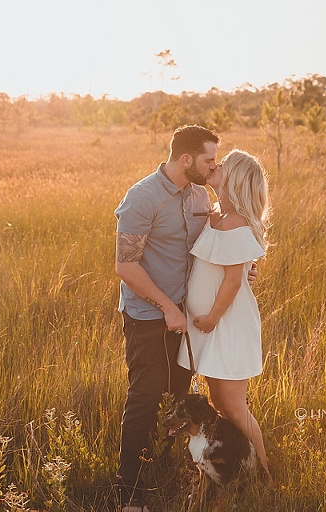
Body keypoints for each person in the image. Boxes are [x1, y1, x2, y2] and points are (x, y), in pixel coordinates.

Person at [113, 125, 221, 512]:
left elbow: (206, 247)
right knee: (144, 398)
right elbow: (126, 265)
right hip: (148, 316)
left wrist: (243, 269)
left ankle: (161, 472)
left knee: (177, 398)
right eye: (209, 159)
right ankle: (130, 494)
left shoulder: (199, 194)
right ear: (186, 159)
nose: (214, 166)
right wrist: (167, 307)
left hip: (185, 316)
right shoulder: (142, 197)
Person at [177, 148, 274, 486]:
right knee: (218, 401)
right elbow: (229, 267)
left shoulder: (235, 221)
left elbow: (234, 279)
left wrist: (212, 318)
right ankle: (233, 467)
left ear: (235, 181)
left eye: (224, 165)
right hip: (211, 326)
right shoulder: (216, 212)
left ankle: (264, 477)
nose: (216, 166)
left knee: (233, 407)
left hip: (227, 325)